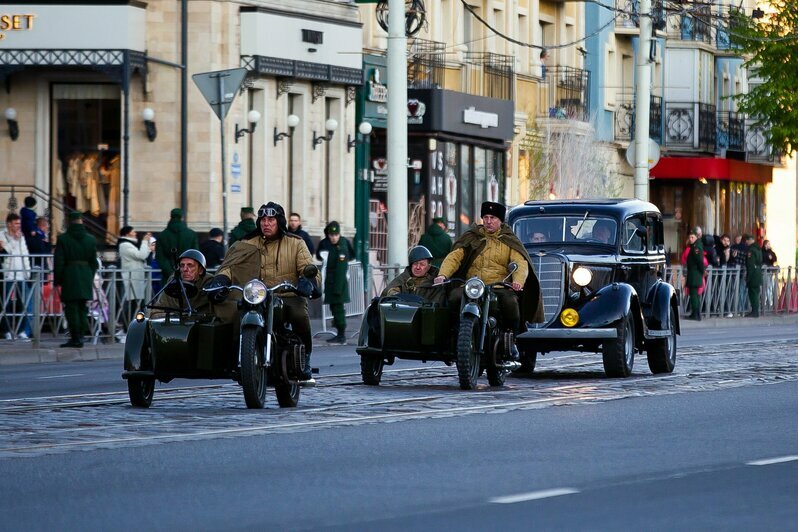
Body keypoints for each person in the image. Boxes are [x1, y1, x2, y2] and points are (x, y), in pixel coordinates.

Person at [207, 202, 320, 383]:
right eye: (263, 220)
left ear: (279, 221)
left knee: (299, 314)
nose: (266, 223)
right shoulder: (246, 243)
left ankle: (305, 355)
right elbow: (230, 266)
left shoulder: (296, 243)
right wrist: (221, 279)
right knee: (234, 315)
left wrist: (308, 281)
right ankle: (237, 359)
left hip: (287, 294)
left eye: (271, 220)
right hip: (256, 296)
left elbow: (308, 266)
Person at [434, 201, 545, 360]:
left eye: (492, 217)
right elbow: (454, 257)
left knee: (510, 303)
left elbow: (520, 262)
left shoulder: (509, 240)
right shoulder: (472, 237)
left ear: (500, 220)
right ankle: (455, 335)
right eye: (485, 217)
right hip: (472, 285)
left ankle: (511, 338)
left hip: (498, 286)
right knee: (453, 297)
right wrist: (443, 275)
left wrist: (518, 281)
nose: (488, 221)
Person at [53, 212, 97, 348]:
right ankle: (81, 336)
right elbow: (94, 262)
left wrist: (58, 279)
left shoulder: (63, 239)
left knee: (71, 308)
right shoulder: (91, 239)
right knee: (82, 308)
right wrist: (89, 275)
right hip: (85, 275)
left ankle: (75, 337)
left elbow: (59, 262)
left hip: (70, 275)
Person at [316, 221, 355, 345]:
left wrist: (338, 289)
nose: (333, 237)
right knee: (335, 308)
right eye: (331, 235)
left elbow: (340, 270)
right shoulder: (333, 247)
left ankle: (341, 335)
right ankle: (339, 332)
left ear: (339, 235)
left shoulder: (341, 248)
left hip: (337, 285)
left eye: (335, 235)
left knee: (338, 310)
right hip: (332, 283)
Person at [151, 249, 213, 317]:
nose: (185, 269)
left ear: (200, 270)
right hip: (175, 325)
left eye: (190, 265)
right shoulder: (173, 282)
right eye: (182, 265)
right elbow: (155, 313)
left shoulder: (209, 283)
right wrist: (175, 316)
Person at [0, 213, 32, 339]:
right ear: (9, 224)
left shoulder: (22, 237)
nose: (18, 226)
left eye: (19, 223)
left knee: (27, 303)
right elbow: (7, 251)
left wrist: (28, 272)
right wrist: (14, 240)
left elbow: (25, 254)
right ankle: (6, 331)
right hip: (7, 274)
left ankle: (24, 331)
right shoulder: (2, 235)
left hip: (21, 275)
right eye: (16, 223)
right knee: (5, 304)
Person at [118, 226, 155, 328]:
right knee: (131, 304)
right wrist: (144, 242)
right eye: (133, 232)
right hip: (131, 278)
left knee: (136, 304)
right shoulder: (125, 245)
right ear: (127, 234)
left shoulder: (129, 244)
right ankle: (127, 327)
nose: (135, 233)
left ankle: (135, 325)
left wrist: (148, 247)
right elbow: (141, 255)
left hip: (136, 278)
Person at [155, 208, 198, 281]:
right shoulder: (191, 234)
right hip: (188, 273)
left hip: (168, 276)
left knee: (169, 292)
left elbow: (160, 258)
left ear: (171, 216)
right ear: (182, 217)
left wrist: (171, 272)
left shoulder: (162, 235)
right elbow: (195, 254)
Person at [684, 230, 705, 321]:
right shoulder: (695, 246)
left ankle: (696, 313)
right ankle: (695, 313)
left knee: (694, 294)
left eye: (692, 237)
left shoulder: (696, 247)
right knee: (694, 294)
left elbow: (699, 261)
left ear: (697, 237)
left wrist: (702, 271)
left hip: (695, 273)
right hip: (694, 273)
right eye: (689, 237)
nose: (691, 239)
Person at [744, 234, 763, 318]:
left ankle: (754, 312)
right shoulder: (758, 249)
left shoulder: (751, 250)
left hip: (753, 274)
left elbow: (750, 265)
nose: (746, 242)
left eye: (747, 241)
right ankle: (755, 311)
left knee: (753, 293)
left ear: (750, 240)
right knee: (756, 292)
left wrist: (748, 277)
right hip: (758, 273)